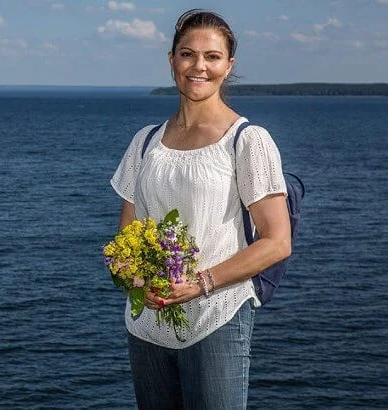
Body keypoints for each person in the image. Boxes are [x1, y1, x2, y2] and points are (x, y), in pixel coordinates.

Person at [109, 9, 292, 410]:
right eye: (188, 54)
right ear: (171, 59)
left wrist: (201, 283)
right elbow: (126, 233)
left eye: (212, 56)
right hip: (146, 324)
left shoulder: (247, 141)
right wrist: (140, 282)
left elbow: (278, 243)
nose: (199, 67)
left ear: (229, 65)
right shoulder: (145, 142)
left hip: (218, 318)